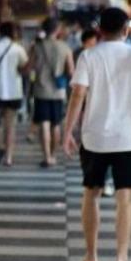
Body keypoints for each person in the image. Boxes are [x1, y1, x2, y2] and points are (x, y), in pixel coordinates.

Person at [62, 8, 131, 261]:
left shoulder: (89, 56)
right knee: (124, 198)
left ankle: (91, 257)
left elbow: (78, 94)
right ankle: (122, 259)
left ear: (100, 30)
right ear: (126, 29)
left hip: (94, 136)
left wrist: (68, 132)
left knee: (91, 192)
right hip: (130, 137)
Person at [0, 22, 30, 167]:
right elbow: (25, 66)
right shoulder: (18, 48)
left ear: (0, 32)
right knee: (10, 126)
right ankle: (8, 158)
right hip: (14, 91)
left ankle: (0, 147)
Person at [31, 18, 75, 167]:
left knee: (44, 123)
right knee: (56, 124)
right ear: (57, 30)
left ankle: (47, 156)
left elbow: (30, 67)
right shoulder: (65, 47)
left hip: (40, 90)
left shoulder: (36, 46)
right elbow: (71, 71)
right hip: (58, 91)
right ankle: (54, 154)